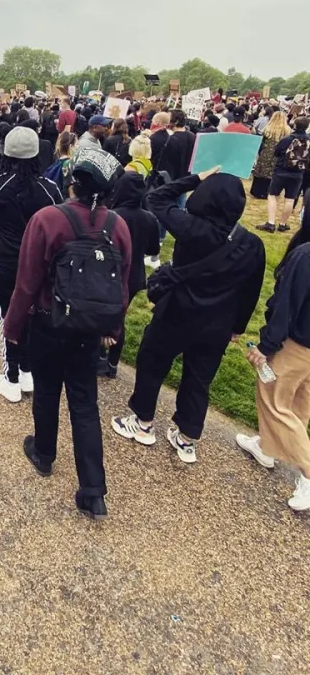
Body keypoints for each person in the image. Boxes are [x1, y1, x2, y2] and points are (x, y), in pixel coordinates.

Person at [3, 148, 132, 519]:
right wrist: (112, 328)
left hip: (49, 322)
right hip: (89, 330)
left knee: (46, 391)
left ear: (73, 181)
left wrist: (13, 326)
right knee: (85, 403)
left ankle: (44, 453)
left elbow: (27, 283)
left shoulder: (47, 219)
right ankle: (93, 490)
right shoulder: (117, 226)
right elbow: (121, 287)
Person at [112, 169, 265, 464]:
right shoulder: (252, 245)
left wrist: (195, 178)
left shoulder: (189, 226)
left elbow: (156, 197)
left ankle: (143, 422)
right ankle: (186, 438)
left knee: (152, 362)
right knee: (198, 380)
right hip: (217, 324)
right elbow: (251, 291)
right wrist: (237, 327)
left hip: (177, 313)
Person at [0, 128, 62, 402]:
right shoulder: (49, 188)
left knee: (8, 317)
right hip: (37, 265)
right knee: (31, 315)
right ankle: (26, 370)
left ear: (6, 153)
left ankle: (11, 378)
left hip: (6, 263)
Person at [237, 197, 310, 511]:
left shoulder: (304, 256)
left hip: (298, 343)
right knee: (298, 403)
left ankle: (308, 473)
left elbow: (285, 307)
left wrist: (266, 347)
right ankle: (268, 447)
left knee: (275, 400)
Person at [98, 173, 161, 378]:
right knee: (120, 317)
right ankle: (112, 363)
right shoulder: (149, 218)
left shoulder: (111, 216)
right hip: (134, 275)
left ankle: (99, 357)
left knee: (101, 313)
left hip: (110, 272)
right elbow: (153, 249)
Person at [259, 116, 310, 233]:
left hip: (281, 171)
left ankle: (271, 223)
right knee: (290, 199)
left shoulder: (287, 139)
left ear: (295, 125)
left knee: (273, 195)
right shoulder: (308, 140)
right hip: (298, 173)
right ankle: (283, 224)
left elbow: (276, 152)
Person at [250, 111, 290, 201]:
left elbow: (262, 142)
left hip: (265, 153)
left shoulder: (267, 128)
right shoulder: (287, 131)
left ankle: (256, 191)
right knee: (272, 173)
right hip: (278, 155)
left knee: (261, 172)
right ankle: (268, 192)